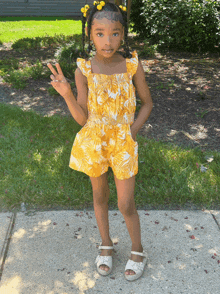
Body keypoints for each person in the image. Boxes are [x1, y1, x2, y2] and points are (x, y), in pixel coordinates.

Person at [47, 1, 153, 281]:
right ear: (89, 34)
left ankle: (138, 249)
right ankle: (106, 244)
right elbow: (83, 118)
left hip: (123, 143)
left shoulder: (131, 64)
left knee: (126, 203)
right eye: (100, 33)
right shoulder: (84, 68)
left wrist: (132, 132)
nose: (108, 41)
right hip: (94, 141)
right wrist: (67, 94)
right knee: (99, 196)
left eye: (115, 33)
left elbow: (147, 104)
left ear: (123, 34)